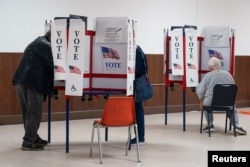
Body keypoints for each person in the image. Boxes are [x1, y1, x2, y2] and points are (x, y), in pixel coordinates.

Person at [12, 30, 54, 150]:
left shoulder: (39, 41)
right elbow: (53, 65)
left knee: (28, 113)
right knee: (34, 113)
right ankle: (28, 142)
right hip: (32, 83)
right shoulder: (46, 45)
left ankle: (33, 136)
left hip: (22, 81)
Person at [196, 57, 247, 135]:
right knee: (233, 107)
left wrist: (200, 99)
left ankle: (210, 124)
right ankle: (236, 126)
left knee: (205, 105)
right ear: (219, 65)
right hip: (227, 103)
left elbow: (200, 91)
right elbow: (233, 88)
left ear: (211, 67)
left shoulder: (207, 76)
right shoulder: (228, 75)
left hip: (211, 103)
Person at [130, 45, 148, 145]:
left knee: (138, 110)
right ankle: (140, 137)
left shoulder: (136, 52)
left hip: (137, 84)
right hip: (139, 83)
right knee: (138, 110)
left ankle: (140, 137)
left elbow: (136, 70)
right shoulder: (139, 50)